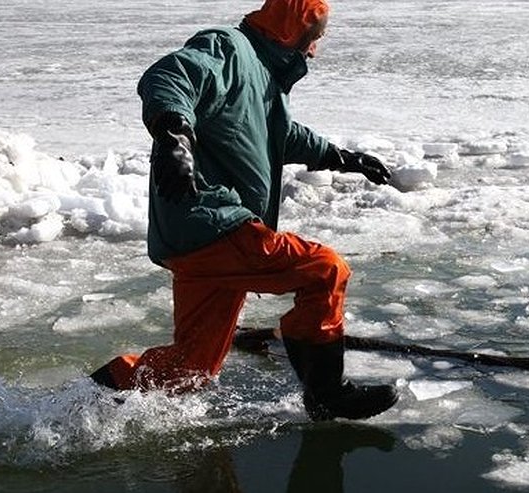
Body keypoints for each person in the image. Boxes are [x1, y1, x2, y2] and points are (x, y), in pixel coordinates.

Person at [91, 0, 398, 421]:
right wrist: (174, 137)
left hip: (198, 241)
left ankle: (87, 400)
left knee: (192, 368)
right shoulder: (229, 48)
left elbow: (281, 135)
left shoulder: (263, 77)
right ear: (294, 31)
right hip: (214, 221)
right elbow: (172, 75)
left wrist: (343, 157)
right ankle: (326, 393)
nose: (315, 52)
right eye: (316, 40)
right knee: (325, 269)